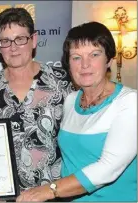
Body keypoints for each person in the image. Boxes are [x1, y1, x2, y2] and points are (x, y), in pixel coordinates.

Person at [16, 22, 137, 202]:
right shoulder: (71, 100)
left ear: (109, 59)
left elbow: (108, 168)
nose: (85, 65)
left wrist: (49, 190)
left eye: (94, 55)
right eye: (76, 57)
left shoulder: (129, 101)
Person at [0, 7, 73, 194]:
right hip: (5, 193)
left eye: (20, 39)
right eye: (6, 41)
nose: (13, 48)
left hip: (54, 192)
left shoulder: (62, 81)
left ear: (34, 40)